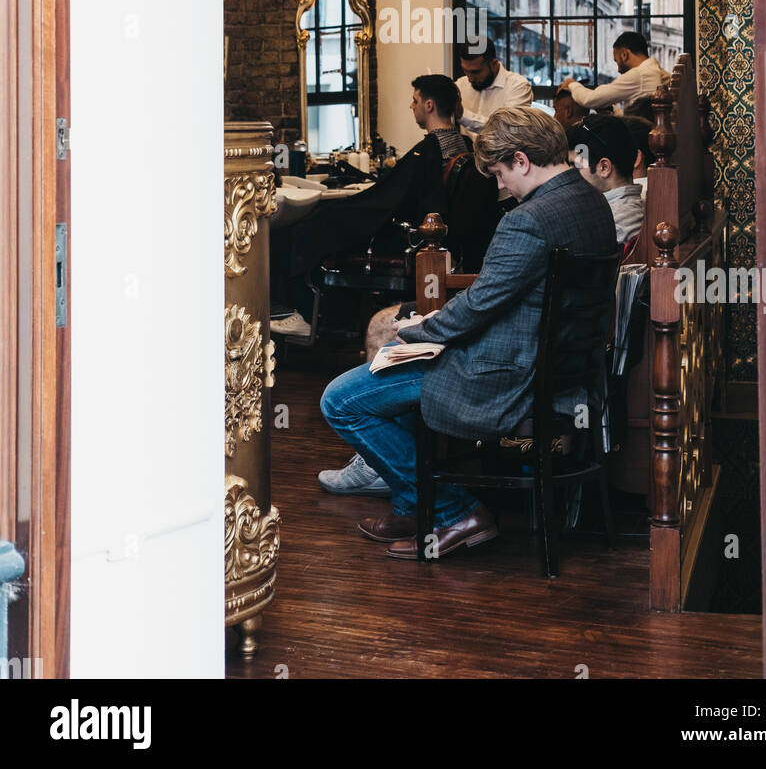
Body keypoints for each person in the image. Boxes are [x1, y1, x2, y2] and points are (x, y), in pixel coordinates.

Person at [319, 106, 617, 559]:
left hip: (502, 377)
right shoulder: (590, 201)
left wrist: (420, 329)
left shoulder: (527, 220)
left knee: (340, 401)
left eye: (499, 173)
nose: (498, 186)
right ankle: (413, 503)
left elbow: (480, 305)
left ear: (521, 160)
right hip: (555, 369)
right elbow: (501, 297)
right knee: (389, 385)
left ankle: (451, 510)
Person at [273, 75, 495, 343]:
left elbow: (383, 202)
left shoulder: (426, 152)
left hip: (406, 238)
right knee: (327, 221)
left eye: (415, 101)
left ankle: (301, 312)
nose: (410, 106)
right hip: (440, 240)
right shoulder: (464, 146)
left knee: (309, 226)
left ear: (429, 105)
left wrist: (343, 206)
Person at [573, 116, 644, 245]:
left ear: (604, 167)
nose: (571, 175)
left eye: (577, 166)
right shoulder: (633, 207)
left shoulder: (614, 224)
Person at [559, 31, 669, 114]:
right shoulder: (659, 73)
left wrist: (571, 83)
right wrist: (611, 110)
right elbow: (637, 119)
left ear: (624, 54)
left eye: (617, 61)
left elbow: (590, 99)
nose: (618, 70)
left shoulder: (640, 75)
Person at [455, 38, 533, 136]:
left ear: (494, 64)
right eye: (465, 71)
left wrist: (462, 115)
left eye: (476, 72)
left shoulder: (518, 86)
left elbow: (507, 129)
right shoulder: (461, 84)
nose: (470, 79)